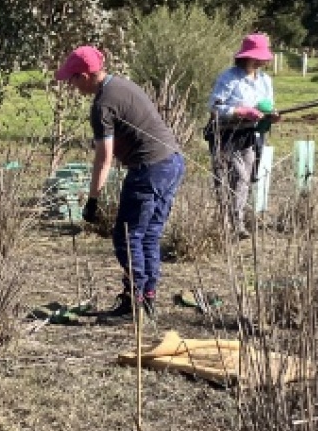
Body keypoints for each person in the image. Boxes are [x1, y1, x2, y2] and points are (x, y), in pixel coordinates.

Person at [56, 45, 185, 323]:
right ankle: (145, 299)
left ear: (86, 75)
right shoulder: (123, 85)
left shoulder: (102, 105)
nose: (71, 85)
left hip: (149, 169)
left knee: (127, 237)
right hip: (172, 163)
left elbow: (104, 158)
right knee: (148, 235)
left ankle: (137, 303)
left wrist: (92, 201)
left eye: (73, 79)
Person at [206, 33, 279, 240]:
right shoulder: (229, 78)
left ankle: (235, 222)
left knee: (246, 178)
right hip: (226, 134)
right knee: (232, 177)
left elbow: (268, 107)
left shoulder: (265, 80)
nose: (262, 61)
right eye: (258, 57)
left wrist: (272, 116)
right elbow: (214, 106)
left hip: (250, 135)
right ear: (248, 57)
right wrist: (239, 111)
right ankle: (230, 224)